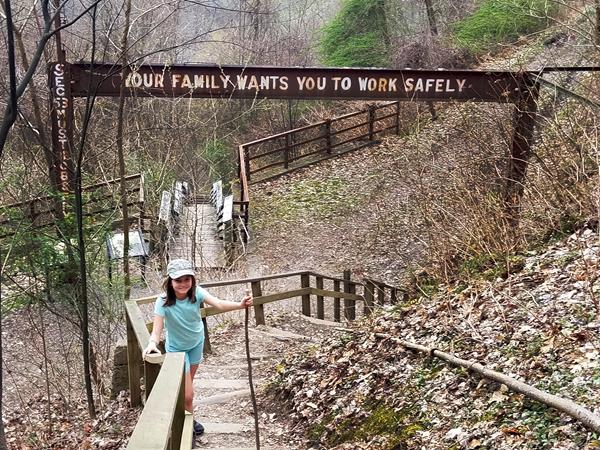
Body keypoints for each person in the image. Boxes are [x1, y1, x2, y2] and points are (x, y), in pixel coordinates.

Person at [142, 258, 253, 436]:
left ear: (193, 280)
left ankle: (184, 413)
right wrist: (152, 344)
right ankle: (188, 424)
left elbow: (218, 303)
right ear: (170, 281)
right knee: (188, 395)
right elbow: (156, 331)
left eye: (187, 279)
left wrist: (239, 305)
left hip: (196, 343)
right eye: (178, 280)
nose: (183, 284)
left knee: (187, 387)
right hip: (177, 350)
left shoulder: (197, 293)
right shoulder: (162, 301)